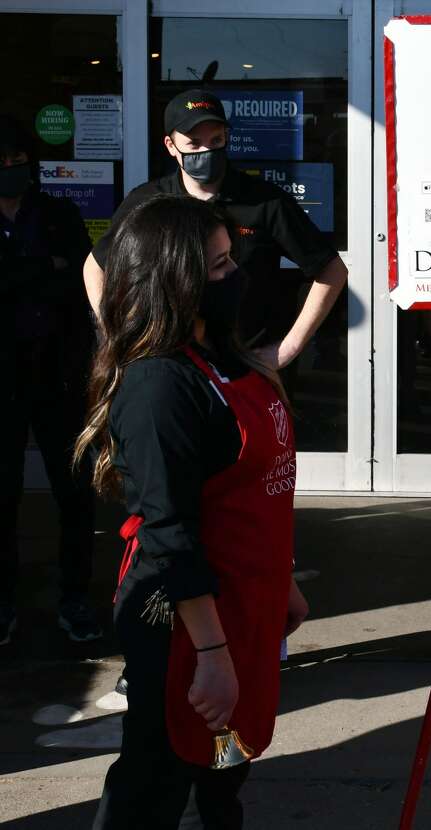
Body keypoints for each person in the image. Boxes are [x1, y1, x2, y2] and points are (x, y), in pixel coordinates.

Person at [75, 194, 308, 828]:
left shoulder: (226, 361)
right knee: (156, 780)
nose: (237, 278)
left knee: (224, 773)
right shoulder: (159, 385)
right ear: (174, 282)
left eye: (232, 261)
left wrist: (281, 580)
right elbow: (170, 533)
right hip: (188, 624)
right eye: (219, 268)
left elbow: (264, 493)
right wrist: (211, 654)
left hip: (246, 608)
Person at [82, 89, 346, 370]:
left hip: (245, 364)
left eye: (216, 140)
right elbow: (95, 266)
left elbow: (331, 269)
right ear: (171, 146)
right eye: (194, 144)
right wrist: (115, 335)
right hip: (169, 365)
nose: (206, 151)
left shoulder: (265, 201)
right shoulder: (149, 202)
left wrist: (288, 348)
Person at [0, 115, 100, 644]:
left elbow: (79, 277)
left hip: (58, 375)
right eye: (3, 165)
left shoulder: (57, 213)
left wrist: (29, 271)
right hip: (4, 380)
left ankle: (76, 598)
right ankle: (3, 604)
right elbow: (51, 274)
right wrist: (45, 268)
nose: (12, 173)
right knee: (3, 493)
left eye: (18, 163)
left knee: (73, 492)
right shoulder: (48, 232)